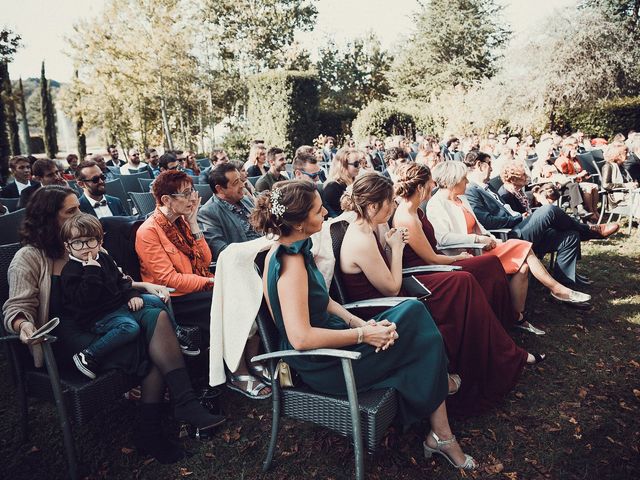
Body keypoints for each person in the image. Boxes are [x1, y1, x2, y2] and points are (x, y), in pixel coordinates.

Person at [251, 179, 477, 470]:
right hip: (324, 363)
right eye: (319, 211)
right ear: (297, 222)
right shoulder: (289, 263)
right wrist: (363, 335)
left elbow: (324, 301)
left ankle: (440, 422)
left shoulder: (295, 249)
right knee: (417, 328)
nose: (327, 215)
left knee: (412, 312)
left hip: (337, 337)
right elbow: (301, 339)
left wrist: (361, 322)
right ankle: (441, 425)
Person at [2, 185, 224, 464]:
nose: (79, 214)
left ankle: (182, 403)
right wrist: (23, 326)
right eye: (71, 211)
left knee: (155, 316)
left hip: (105, 318)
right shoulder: (29, 258)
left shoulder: (85, 241)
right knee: (149, 342)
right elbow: (16, 307)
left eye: (79, 208)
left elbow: (118, 279)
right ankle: (154, 428)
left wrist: (144, 286)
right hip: (66, 335)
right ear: (48, 218)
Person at [340, 172, 542, 415]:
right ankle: (496, 360)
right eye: (389, 202)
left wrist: (391, 244)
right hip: (384, 308)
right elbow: (391, 287)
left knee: (464, 283)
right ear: (373, 206)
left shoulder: (374, 224)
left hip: (398, 293)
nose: (394, 206)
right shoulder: (360, 237)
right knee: (462, 288)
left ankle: (500, 352)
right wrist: (396, 248)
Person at [427, 160, 591, 309]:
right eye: (464, 178)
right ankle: (556, 290)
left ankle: (518, 315)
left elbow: (479, 227)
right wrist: (478, 239)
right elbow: (443, 238)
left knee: (524, 266)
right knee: (524, 249)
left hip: (483, 246)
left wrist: (491, 239)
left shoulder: (462, 198)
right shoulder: (436, 204)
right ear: (453, 181)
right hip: (465, 253)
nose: (467, 182)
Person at [392, 163, 532, 332]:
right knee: (483, 268)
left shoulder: (415, 211)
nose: (434, 185)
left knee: (491, 262)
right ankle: (496, 324)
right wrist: (459, 257)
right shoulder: (408, 217)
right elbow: (431, 258)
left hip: (435, 263)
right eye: (430, 182)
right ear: (421, 187)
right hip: (426, 270)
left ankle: (502, 318)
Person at [464, 152, 618, 288]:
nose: (491, 168)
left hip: (518, 225)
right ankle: (590, 231)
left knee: (570, 236)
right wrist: (517, 218)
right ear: (479, 165)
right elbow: (486, 221)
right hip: (508, 235)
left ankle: (566, 282)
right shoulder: (471, 190)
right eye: (489, 164)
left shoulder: (487, 187)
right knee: (549, 210)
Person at [135, 170, 215, 343]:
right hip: (176, 297)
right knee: (227, 300)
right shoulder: (148, 232)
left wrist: (194, 224)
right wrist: (209, 282)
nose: (192, 199)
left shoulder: (183, 221)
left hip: (196, 287)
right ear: (166, 200)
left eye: (192, 192)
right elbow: (169, 279)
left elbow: (206, 261)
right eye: (185, 194)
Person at [198, 163, 260, 261]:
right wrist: (256, 247)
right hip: (246, 262)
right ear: (220, 189)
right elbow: (221, 251)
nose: (241, 185)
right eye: (236, 183)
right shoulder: (207, 214)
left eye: (240, 179)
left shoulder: (245, 200)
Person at [554, 137, 599, 221]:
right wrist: (578, 176)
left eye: (576, 149)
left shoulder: (575, 160)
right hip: (569, 185)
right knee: (588, 188)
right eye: (573, 150)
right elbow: (564, 178)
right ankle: (590, 211)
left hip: (578, 181)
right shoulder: (561, 161)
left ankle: (595, 210)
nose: (576, 151)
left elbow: (578, 172)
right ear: (567, 152)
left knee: (595, 186)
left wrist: (584, 176)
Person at [601, 143, 640, 217]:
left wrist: (634, 184)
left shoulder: (621, 166)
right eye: (626, 153)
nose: (628, 155)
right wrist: (625, 185)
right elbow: (605, 185)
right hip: (616, 199)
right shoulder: (608, 166)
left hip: (626, 193)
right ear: (618, 154)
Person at [322, 148, 362, 217]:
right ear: (343, 166)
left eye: (359, 162)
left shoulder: (355, 181)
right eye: (356, 164)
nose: (360, 166)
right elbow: (338, 216)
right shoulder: (332, 187)